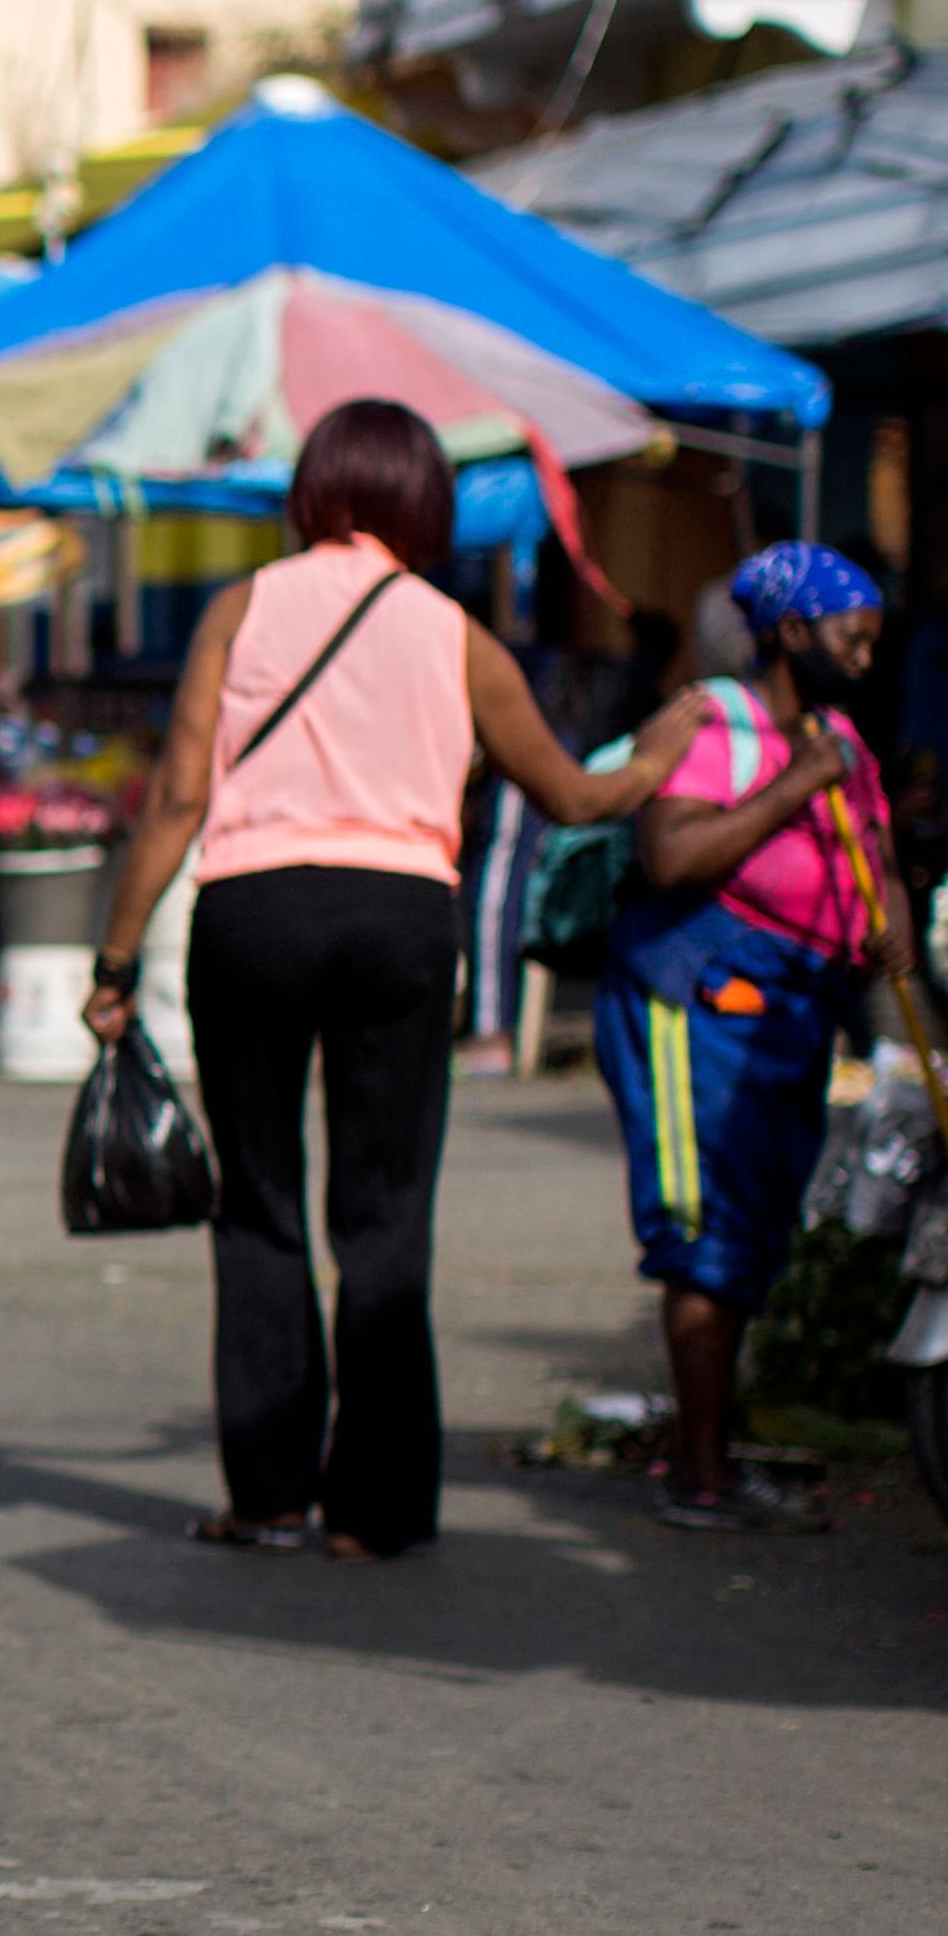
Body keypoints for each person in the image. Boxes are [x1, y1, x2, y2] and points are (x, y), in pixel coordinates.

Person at [85, 398, 700, 1562]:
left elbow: (176, 797)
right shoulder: (455, 635)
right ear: (423, 502)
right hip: (398, 919)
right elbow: (570, 797)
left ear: (312, 491)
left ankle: (268, 1497)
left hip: (254, 913)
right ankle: (371, 1513)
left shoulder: (239, 609)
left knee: (258, 1204)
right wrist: (657, 757)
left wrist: (115, 960)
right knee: (383, 1216)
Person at [591, 542, 908, 1532]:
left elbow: (877, 857)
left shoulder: (840, 737)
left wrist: (892, 922)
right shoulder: (714, 725)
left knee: (759, 1229)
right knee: (704, 1233)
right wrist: (794, 786)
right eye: (851, 639)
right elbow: (671, 855)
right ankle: (699, 1477)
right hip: (698, 1002)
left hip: (794, 1008)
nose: (865, 659)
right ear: (790, 632)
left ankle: (716, 1451)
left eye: (874, 642)